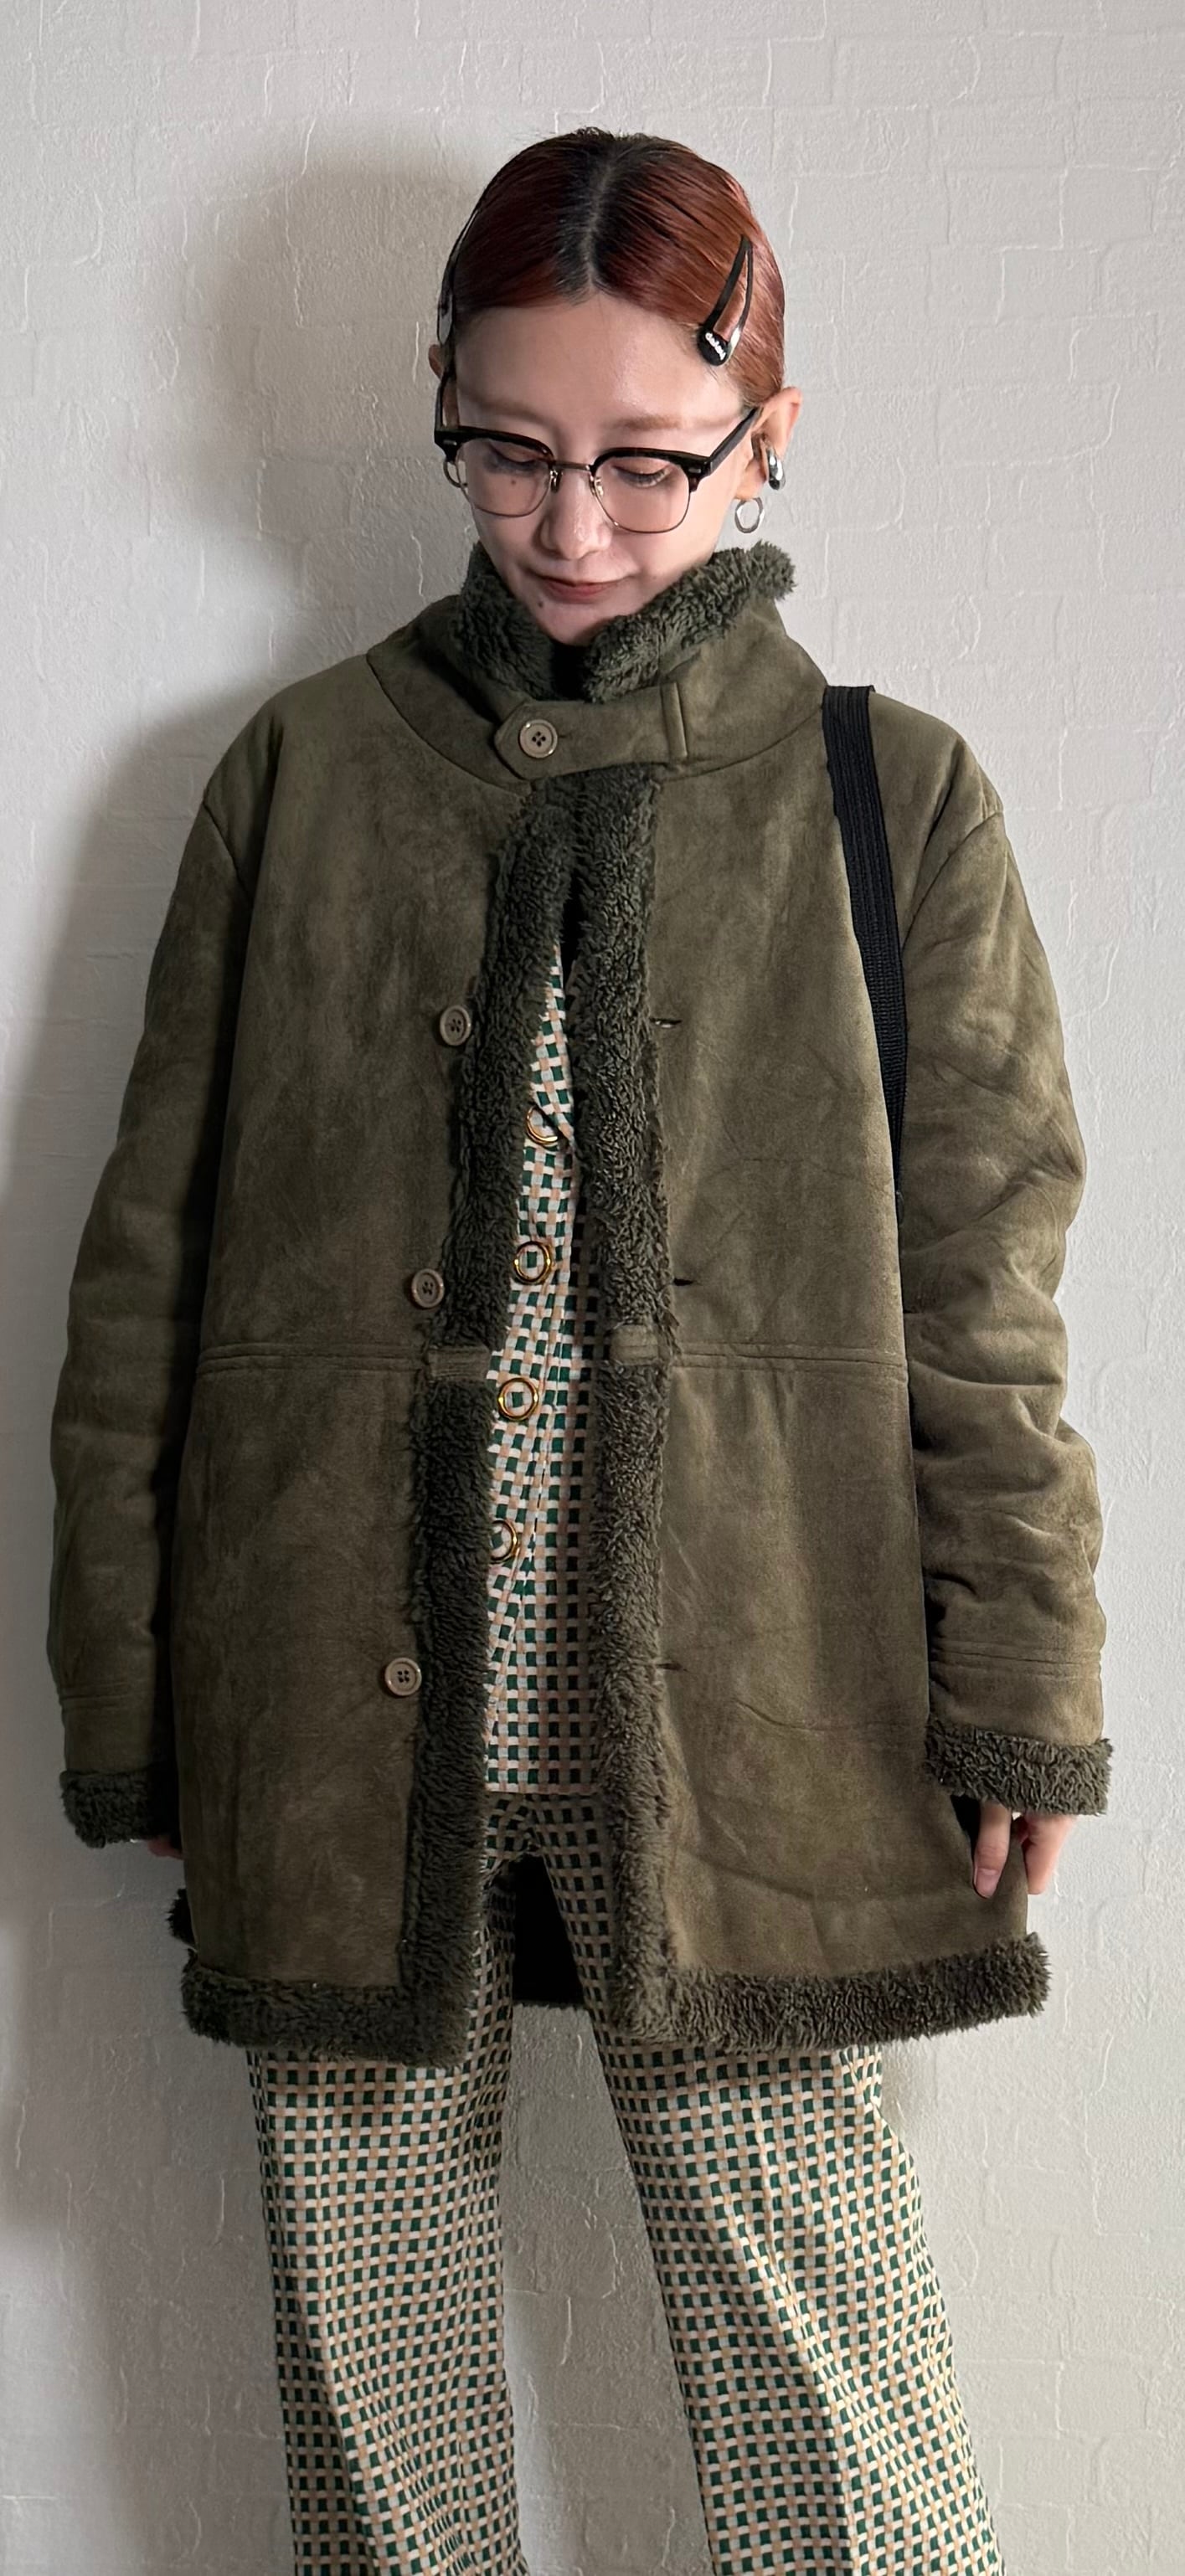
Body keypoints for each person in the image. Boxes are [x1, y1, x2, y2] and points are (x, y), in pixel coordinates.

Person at [47, 126, 1110, 2573]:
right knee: (378, 2420)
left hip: (762, 1703)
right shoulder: (303, 773)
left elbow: (987, 1295)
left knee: (831, 2394)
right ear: (440, 394)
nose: (575, 522)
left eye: (651, 460)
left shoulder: (889, 797)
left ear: (769, 432)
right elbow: (145, 1282)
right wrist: (138, 1695)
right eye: (509, 449)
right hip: (335, 1700)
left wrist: (1022, 1677)